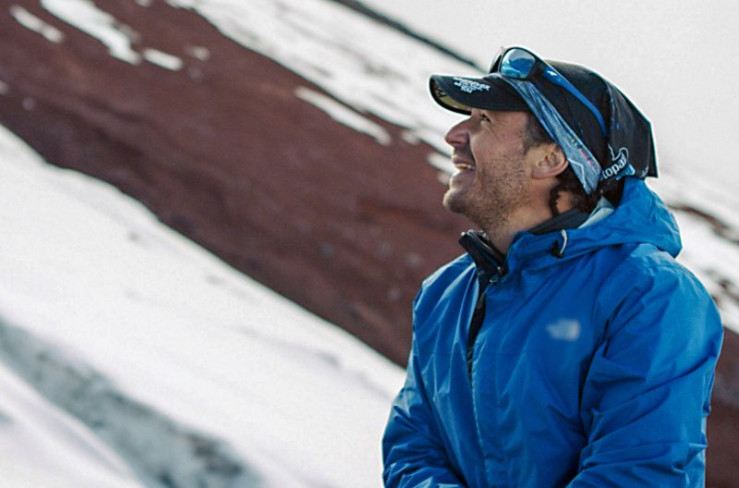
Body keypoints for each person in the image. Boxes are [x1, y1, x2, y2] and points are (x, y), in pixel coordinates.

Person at [382, 46, 724, 487]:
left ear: (550, 159)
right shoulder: (444, 292)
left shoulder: (650, 296)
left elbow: (638, 475)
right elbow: (412, 449)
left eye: (484, 121)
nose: (454, 134)